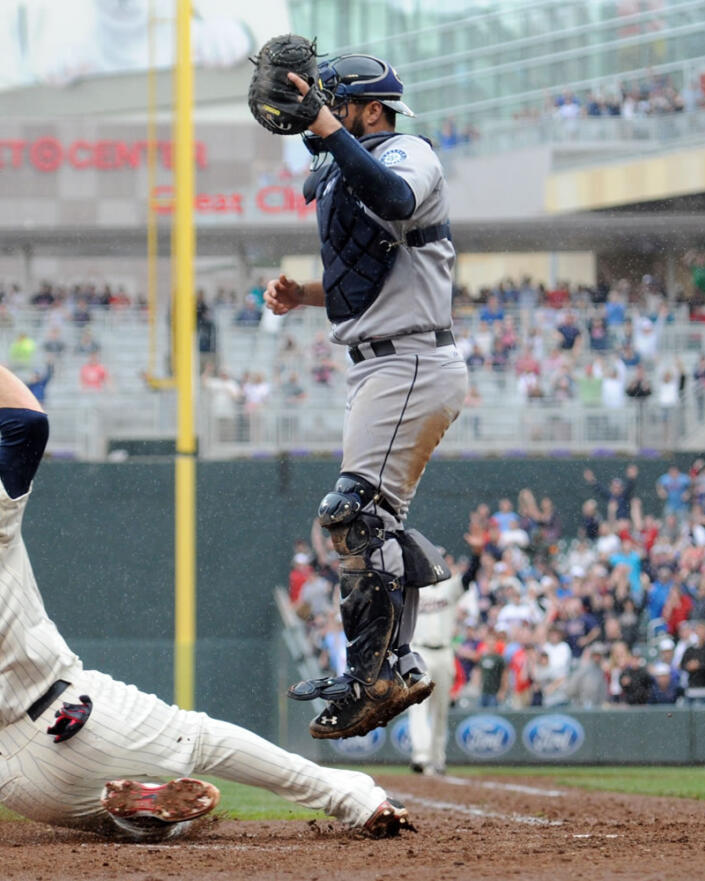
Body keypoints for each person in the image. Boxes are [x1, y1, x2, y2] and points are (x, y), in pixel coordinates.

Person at [0, 315, 412, 841]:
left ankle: (134, 807)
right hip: (71, 720)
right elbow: (27, 426)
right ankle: (354, 799)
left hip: (7, 780)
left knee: (168, 832)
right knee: (203, 740)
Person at [265, 53, 468, 739]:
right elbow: (375, 268)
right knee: (363, 521)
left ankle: (377, 671)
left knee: (351, 513)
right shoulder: (346, 164)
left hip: (411, 357)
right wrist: (306, 295)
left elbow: (396, 197)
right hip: (386, 362)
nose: (321, 107)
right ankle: (392, 665)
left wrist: (325, 125)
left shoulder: (410, 151)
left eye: (334, 100)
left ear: (369, 108)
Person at [407, 551, 476, 776]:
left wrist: (475, 554)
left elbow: (469, 577)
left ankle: (437, 759)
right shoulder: (415, 587)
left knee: (440, 709)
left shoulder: (451, 587)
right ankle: (421, 755)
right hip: (420, 650)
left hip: (444, 652)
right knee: (417, 704)